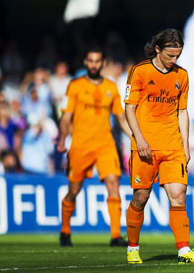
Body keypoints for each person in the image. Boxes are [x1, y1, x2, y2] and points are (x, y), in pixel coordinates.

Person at [124, 28, 194, 264]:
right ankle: (132, 248)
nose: (174, 60)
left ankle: (184, 251)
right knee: (141, 197)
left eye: (178, 56)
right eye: (170, 56)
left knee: (179, 195)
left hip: (172, 145)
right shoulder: (139, 71)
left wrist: (186, 145)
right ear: (158, 49)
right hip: (145, 146)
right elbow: (129, 109)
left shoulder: (182, 75)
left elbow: (182, 111)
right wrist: (139, 138)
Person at [57, 47, 132, 247]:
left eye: (97, 61)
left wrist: (135, 137)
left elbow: (121, 118)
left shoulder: (111, 87)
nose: (93, 64)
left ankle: (116, 236)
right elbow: (65, 117)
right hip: (80, 145)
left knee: (113, 184)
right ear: (85, 62)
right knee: (74, 190)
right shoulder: (75, 86)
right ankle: (65, 231)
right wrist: (63, 139)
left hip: (105, 144)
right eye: (90, 61)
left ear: (103, 64)